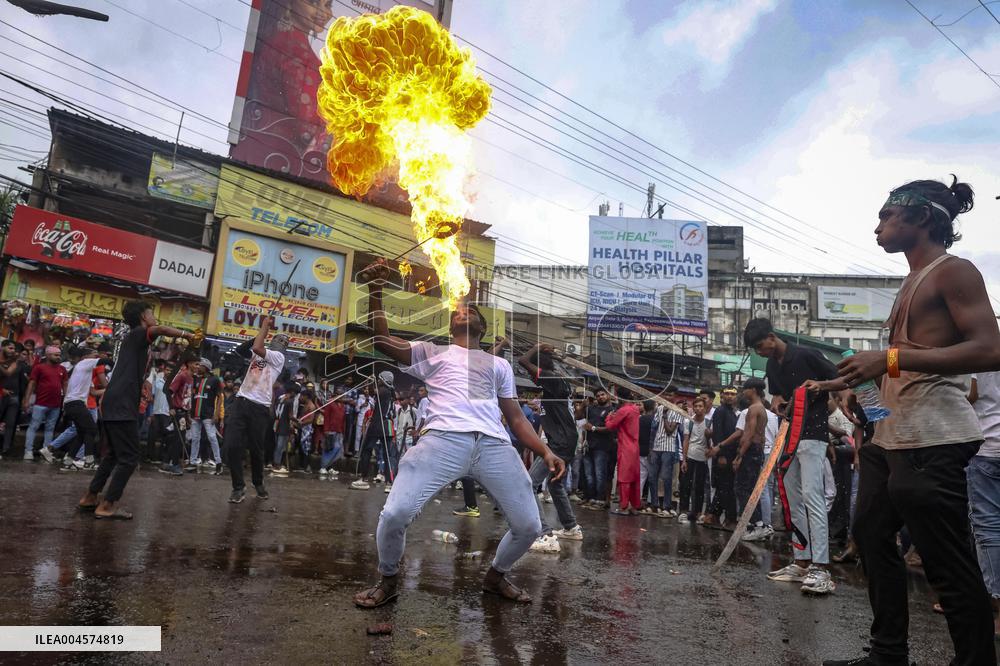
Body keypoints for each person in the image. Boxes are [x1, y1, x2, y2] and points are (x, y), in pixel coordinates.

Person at [822, 177, 1000, 666]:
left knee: (947, 561)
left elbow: (990, 349)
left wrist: (890, 359)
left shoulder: (953, 271)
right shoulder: (908, 282)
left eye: (887, 215)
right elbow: (898, 371)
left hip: (934, 438)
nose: (878, 226)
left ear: (920, 218)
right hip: (893, 436)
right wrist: (856, 393)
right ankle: (888, 654)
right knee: (871, 532)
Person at [353, 259, 564, 608]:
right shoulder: (432, 353)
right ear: (452, 326)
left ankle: (495, 577)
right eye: (459, 312)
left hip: (494, 445)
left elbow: (514, 417)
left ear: (481, 325)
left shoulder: (498, 365)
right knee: (394, 515)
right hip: (441, 441)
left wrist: (545, 452)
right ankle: (388, 579)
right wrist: (376, 291)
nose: (464, 312)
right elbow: (382, 341)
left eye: (471, 311)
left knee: (529, 526)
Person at [745, 317, 839, 596]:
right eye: (757, 350)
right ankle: (802, 561)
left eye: (762, 346)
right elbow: (776, 398)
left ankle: (821, 567)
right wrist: (778, 404)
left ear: (772, 337)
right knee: (792, 498)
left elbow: (840, 378)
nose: (761, 352)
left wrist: (821, 387)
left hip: (814, 433)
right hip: (789, 435)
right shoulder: (773, 366)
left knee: (813, 496)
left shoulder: (807, 355)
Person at [79, 301, 195, 519]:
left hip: (116, 401)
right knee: (130, 458)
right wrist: (186, 334)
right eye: (151, 313)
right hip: (122, 403)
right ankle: (107, 505)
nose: (154, 317)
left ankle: (91, 496)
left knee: (114, 454)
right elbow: (159, 330)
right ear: (143, 316)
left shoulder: (135, 340)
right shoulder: (140, 333)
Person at [519, 343, 584, 552]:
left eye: (533, 373)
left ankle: (544, 534)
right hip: (566, 440)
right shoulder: (557, 381)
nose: (531, 377)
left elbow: (523, 361)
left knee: (529, 483)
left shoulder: (551, 379)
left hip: (560, 443)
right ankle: (571, 527)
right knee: (555, 485)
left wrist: (536, 347)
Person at [227, 316, 287, 504]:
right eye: (279, 338)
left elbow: (257, 349)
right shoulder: (262, 349)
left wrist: (263, 328)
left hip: (260, 407)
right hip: (242, 401)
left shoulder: (278, 357)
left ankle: (258, 482)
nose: (282, 342)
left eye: (285, 342)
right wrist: (262, 331)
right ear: (271, 339)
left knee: (256, 449)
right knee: (231, 446)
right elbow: (241, 350)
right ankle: (238, 487)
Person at [967, 372, 1000, 637]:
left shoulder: (980, 345)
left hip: (988, 444)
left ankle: (997, 605)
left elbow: (971, 393)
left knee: (988, 527)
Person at [350, 371, 396, 491]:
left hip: (377, 425)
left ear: (383, 380)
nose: (379, 381)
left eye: (380, 379)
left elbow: (372, 392)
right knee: (387, 455)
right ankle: (389, 483)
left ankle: (364, 479)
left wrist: (371, 383)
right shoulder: (391, 392)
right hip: (388, 426)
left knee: (367, 450)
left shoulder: (384, 391)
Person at [734, 378, 768, 540]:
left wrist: (739, 455)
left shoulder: (753, 409)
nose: (743, 392)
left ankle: (758, 525)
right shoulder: (761, 408)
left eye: (745, 389)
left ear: (752, 390)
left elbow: (748, 435)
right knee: (750, 488)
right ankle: (753, 524)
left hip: (750, 451)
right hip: (756, 451)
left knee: (743, 489)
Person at [599, 387, 641, 516]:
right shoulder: (635, 409)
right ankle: (634, 506)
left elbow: (610, 426)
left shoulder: (623, 410)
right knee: (634, 478)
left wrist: (608, 417)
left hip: (625, 448)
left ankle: (623, 507)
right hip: (635, 447)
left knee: (624, 478)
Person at [22, 345, 67, 462]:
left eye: (59, 355)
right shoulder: (39, 368)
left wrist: (66, 401)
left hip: (56, 404)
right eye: (55, 355)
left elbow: (65, 385)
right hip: (40, 403)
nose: (58, 357)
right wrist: (26, 400)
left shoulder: (62, 369)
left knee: (50, 429)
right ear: (47, 355)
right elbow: (31, 384)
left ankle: (45, 452)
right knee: (34, 426)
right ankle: (28, 451)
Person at [704, 386, 739, 525]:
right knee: (725, 487)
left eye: (732, 394)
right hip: (723, 455)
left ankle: (713, 515)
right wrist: (721, 455)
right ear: (722, 396)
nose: (730, 396)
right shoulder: (720, 411)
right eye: (727, 394)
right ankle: (723, 517)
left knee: (726, 487)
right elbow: (718, 433)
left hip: (731, 454)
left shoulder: (732, 413)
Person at [648, 389, 684, 517]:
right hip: (656, 447)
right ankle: (654, 505)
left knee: (666, 477)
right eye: (666, 394)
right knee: (652, 477)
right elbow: (653, 428)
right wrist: (651, 449)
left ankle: (667, 506)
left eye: (670, 394)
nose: (667, 396)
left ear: (674, 396)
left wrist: (664, 415)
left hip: (668, 448)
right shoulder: (659, 408)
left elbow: (670, 430)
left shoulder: (677, 411)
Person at [161, 356, 197, 476]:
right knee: (179, 439)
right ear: (189, 363)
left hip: (184, 411)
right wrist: (171, 408)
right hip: (177, 410)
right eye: (195, 364)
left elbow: (187, 398)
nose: (197, 367)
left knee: (178, 438)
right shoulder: (182, 375)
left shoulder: (191, 378)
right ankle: (174, 464)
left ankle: (167, 462)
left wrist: (188, 415)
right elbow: (168, 391)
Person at [187, 358, 223, 473]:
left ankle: (218, 463)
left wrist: (216, 413)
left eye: (200, 366)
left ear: (206, 367)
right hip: (195, 414)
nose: (198, 367)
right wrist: (189, 412)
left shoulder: (215, 380)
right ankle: (192, 462)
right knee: (195, 438)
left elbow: (220, 397)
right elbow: (192, 396)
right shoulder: (196, 379)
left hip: (208, 414)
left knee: (212, 437)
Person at [582, 389, 615, 510]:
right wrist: (582, 406)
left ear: (608, 395)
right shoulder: (591, 409)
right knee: (589, 475)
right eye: (598, 395)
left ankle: (600, 500)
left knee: (600, 474)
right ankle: (591, 498)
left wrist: (594, 428)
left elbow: (611, 428)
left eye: (602, 394)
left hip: (603, 447)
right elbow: (579, 416)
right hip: (589, 445)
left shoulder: (612, 411)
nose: (600, 397)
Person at [679, 398, 710, 524]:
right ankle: (683, 512)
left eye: (700, 406)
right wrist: (684, 460)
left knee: (700, 486)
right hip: (690, 456)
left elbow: (710, 441)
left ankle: (697, 512)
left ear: (705, 408)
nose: (698, 408)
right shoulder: (688, 421)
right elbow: (686, 440)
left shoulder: (709, 422)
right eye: (696, 406)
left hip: (703, 458)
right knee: (686, 484)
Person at [0, 339, 29, 459]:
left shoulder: (17, 363)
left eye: (14, 349)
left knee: (11, 424)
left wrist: (24, 399)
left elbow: (22, 382)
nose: (13, 352)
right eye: (10, 348)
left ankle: (5, 449)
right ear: (3, 347)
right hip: (1, 396)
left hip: (14, 397)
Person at [271, 381, 300, 476]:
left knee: (277, 445)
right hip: (284, 426)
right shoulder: (290, 401)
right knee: (280, 446)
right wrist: (297, 421)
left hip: (277, 424)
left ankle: (275, 463)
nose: (295, 396)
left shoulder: (280, 398)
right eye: (295, 394)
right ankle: (277, 465)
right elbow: (290, 416)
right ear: (292, 392)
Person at [145, 359, 170, 463]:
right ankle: (150, 457)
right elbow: (152, 395)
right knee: (152, 436)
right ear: (164, 370)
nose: (168, 372)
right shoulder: (158, 379)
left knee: (166, 436)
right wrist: (151, 413)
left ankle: (163, 457)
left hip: (167, 412)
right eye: (167, 369)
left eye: (170, 370)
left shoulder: (174, 382)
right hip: (156, 411)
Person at [319, 387, 345, 477]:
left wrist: (342, 430)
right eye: (339, 394)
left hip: (339, 430)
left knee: (337, 450)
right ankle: (323, 467)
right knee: (328, 449)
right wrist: (326, 429)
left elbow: (342, 419)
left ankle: (330, 468)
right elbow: (326, 417)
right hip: (330, 430)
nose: (341, 396)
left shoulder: (342, 406)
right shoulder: (330, 404)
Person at [637, 400, 655, 513]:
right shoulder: (654, 420)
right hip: (651, 451)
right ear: (653, 407)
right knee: (652, 477)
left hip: (640, 450)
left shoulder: (639, 419)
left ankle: (637, 499)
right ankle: (650, 501)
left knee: (641, 477)